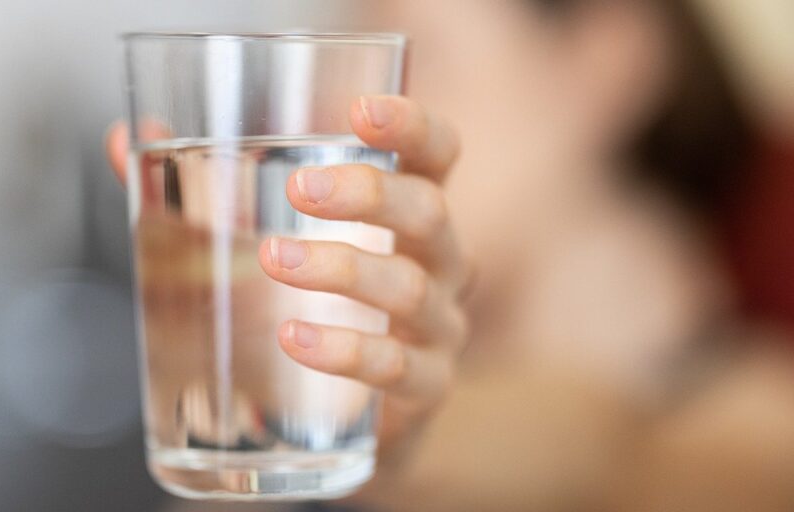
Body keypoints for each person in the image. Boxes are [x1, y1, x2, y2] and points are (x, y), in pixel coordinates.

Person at [107, 0, 794, 510]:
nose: (337, 112)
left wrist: (398, 451)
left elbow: (644, 457)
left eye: (417, 55)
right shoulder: (331, 396)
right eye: (340, 62)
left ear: (607, 57)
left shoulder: (750, 419)